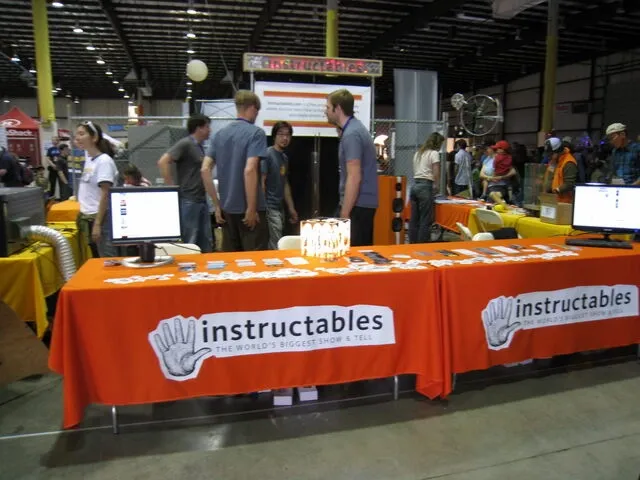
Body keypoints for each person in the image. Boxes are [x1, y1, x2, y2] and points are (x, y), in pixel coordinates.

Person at [202, 90, 268, 252]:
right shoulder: (256, 133)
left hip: (227, 210)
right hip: (251, 211)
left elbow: (204, 169)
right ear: (253, 108)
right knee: (255, 262)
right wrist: (251, 208)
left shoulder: (219, 135)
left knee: (232, 261)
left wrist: (217, 206)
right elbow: (250, 169)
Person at [324, 88, 378, 246]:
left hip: (357, 205)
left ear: (338, 108)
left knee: (353, 257)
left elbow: (354, 177)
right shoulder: (354, 129)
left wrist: (345, 213)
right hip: (360, 204)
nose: (325, 112)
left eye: (328, 108)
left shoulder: (352, 134)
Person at [157, 114, 213, 253]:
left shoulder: (199, 147)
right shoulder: (186, 143)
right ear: (198, 128)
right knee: (190, 241)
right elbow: (163, 161)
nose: (209, 130)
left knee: (204, 240)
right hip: (189, 199)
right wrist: (171, 188)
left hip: (200, 199)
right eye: (207, 127)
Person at [75, 121, 118, 258]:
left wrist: (98, 224)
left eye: (82, 134)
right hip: (89, 217)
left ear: (94, 138)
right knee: (96, 258)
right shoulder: (90, 159)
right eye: (76, 134)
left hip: (101, 218)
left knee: (107, 259)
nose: (77, 138)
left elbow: (106, 194)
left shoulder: (104, 161)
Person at [262, 121, 298, 250]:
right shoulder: (267, 154)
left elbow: (285, 184)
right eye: (281, 134)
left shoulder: (284, 158)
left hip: (279, 206)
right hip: (269, 206)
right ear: (274, 136)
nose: (285, 138)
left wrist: (291, 208)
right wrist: (261, 208)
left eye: (288, 135)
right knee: (275, 242)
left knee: (277, 239)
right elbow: (262, 181)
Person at [409, 132, 442, 244]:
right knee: (425, 218)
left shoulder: (418, 153)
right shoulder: (434, 154)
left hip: (415, 185)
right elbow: (436, 171)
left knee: (414, 218)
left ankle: (412, 242)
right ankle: (422, 243)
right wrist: (437, 185)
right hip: (425, 186)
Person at [543, 137, 578, 203]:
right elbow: (549, 177)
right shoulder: (554, 162)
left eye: (551, 154)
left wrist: (557, 190)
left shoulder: (569, 162)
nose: (549, 156)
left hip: (564, 202)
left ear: (558, 151)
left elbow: (569, 183)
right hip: (553, 201)